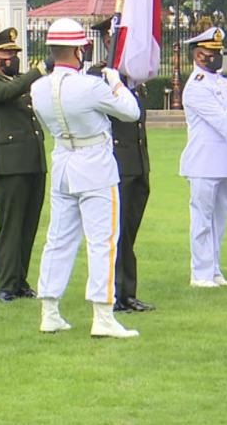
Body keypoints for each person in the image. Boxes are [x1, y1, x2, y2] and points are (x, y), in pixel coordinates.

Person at [31, 18, 142, 338]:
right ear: (79, 50)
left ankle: (49, 311)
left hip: (64, 162)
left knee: (58, 240)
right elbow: (131, 112)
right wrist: (116, 83)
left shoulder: (38, 87)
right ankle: (103, 315)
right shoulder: (90, 87)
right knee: (102, 241)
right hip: (94, 166)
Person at [0, 28, 47, 303]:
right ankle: (6, 285)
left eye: (15, 53)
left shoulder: (16, 82)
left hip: (32, 162)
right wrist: (39, 70)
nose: (14, 57)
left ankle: (20, 282)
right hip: (10, 166)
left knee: (28, 227)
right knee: (11, 227)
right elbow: (9, 92)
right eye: (8, 53)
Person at [89, 17, 155, 313]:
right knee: (117, 233)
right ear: (109, 41)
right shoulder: (99, 76)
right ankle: (115, 294)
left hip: (138, 164)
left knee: (129, 234)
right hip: (117, 164)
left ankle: (127, 293)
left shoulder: (131, 78)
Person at [179, 26, 227, 288]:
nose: (216, 57)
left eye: (218, 52)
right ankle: (200, 273)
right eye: (211, 53)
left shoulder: (224, 83)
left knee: (219, 219)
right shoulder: (196, 87)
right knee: (202, 219)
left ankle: (214, 269)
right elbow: (225, 124)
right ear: (198, 55)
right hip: (204, 161)